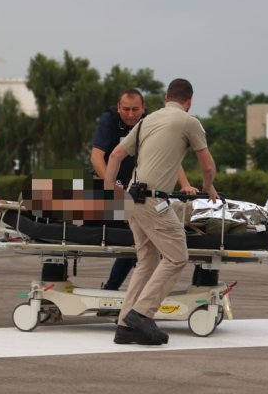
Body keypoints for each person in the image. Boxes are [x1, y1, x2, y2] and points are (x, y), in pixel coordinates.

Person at [104, 78, 217, 345]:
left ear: (166, 97)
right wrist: (208, 188)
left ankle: (124, 327)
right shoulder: (189, 122)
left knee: (147, 261)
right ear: (189, 101)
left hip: (131, 199)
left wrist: (111, 192)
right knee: (178, 257)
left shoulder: (147, 121)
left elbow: (116, 156)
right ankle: (141, 314)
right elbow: (208, 167)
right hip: (154, 201)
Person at [90, 88, 196, 291]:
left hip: (136, 187)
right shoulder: (109, 121)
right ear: (118, 107)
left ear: (143, 109)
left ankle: (113, 290)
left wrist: (184, 184)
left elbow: (170, 157)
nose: (131, 114)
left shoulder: (150, 122)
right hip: (109, 182)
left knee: (137, 239)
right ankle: (112, 289)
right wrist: (111, 188)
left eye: (135, 110)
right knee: (136, 238)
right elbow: (97, 157)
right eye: (126, 109)